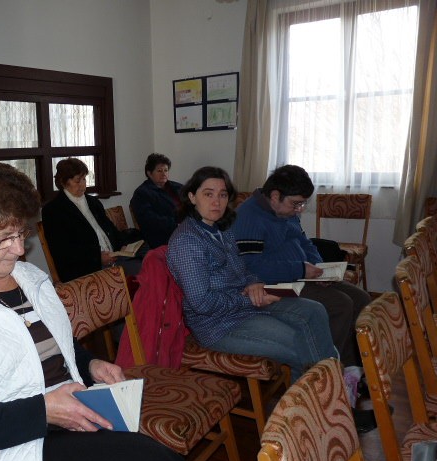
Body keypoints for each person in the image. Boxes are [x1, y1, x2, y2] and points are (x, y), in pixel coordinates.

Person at [0, 162, 196, 461]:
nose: (19, 249)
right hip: (8, 447)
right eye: (3, 239)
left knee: (154, 460)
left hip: (65, 412)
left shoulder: (30, 279)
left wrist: (91, 365)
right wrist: (43, 411)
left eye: (21, 233)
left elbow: (59, 346)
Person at [166, 166, 337, 381]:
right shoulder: (187, 241)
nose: (216, 202)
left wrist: (255, 283)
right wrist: (249, 298)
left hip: (245, 305)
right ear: (192, 197)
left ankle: (331, 385)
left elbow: (244, 268)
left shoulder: (221, 228)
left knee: (315, 311)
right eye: (208, 194)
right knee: (301, 343)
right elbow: (202, 304)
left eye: (222, 195)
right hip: (218, 325)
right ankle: (325, 392)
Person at [230, 166, 371, 395]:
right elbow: (252, 268)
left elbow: (305, 242)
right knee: (340, 304)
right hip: (274, 285)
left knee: (362, 299)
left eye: (303, 204)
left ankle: (350, 372)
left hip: (302, 275)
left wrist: (319, 267)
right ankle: (323, 377)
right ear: (275, 196)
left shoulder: (286, 212)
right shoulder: (248, 217)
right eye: (296, 204)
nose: (299, 209)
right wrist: (301, 269)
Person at [42, 157, 142, 283]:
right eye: (77, 181)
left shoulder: (93, 202)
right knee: (143, 271)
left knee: (150, 263)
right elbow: (64, 252)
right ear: (63, 182)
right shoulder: (54, 211)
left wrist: (122, 246)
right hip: (86, 269)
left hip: (113, 259)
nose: (83, 185)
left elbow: (110, 229)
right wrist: (98, 258)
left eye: (84, 179)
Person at [130, 153, 183, 248]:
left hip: (186, 229)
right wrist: (177, 226)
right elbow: (150, 220)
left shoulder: (178, 187)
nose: (164, 174)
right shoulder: (142, 193)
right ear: (149, 173)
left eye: (166, 170)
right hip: (164, 238)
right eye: (159, 171)